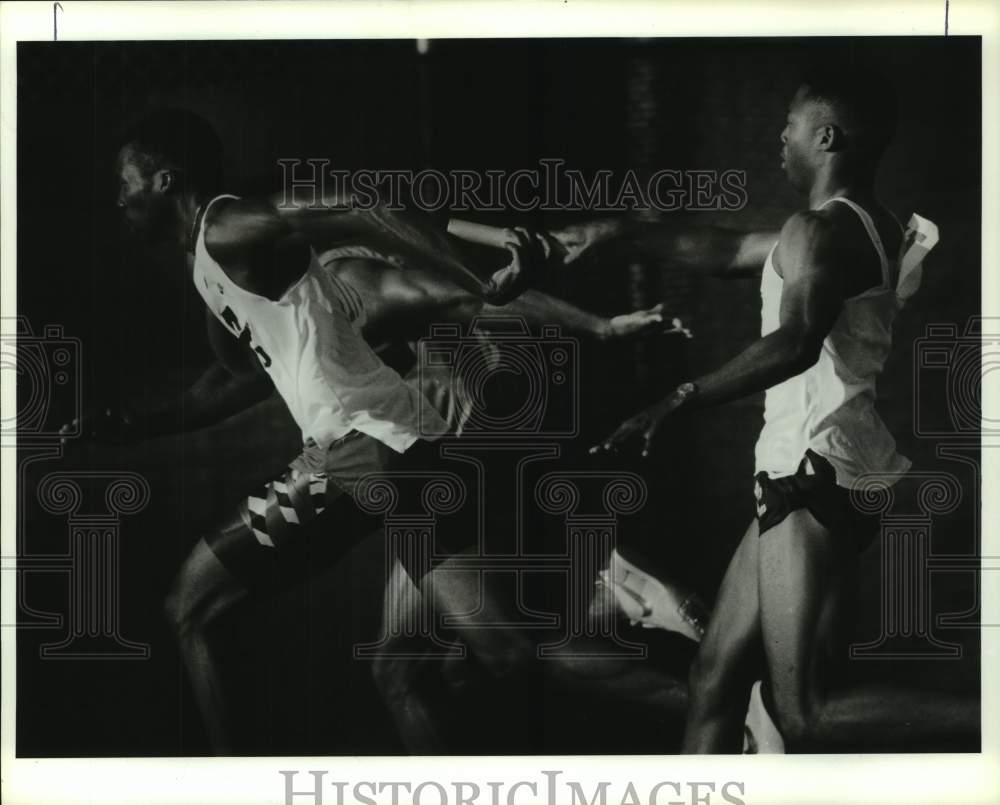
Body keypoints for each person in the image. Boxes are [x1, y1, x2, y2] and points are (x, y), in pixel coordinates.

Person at [565, 67, 978, 752]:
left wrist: (677, 397)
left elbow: (795, 342)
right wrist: (618, 231)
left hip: (809, 476)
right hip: (829, 472)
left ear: (826, 135)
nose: (778, 136)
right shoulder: (860, 226)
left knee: (802, 713)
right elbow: (726, 249)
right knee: (713, 677)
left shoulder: (819, 230)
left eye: (790, 124)